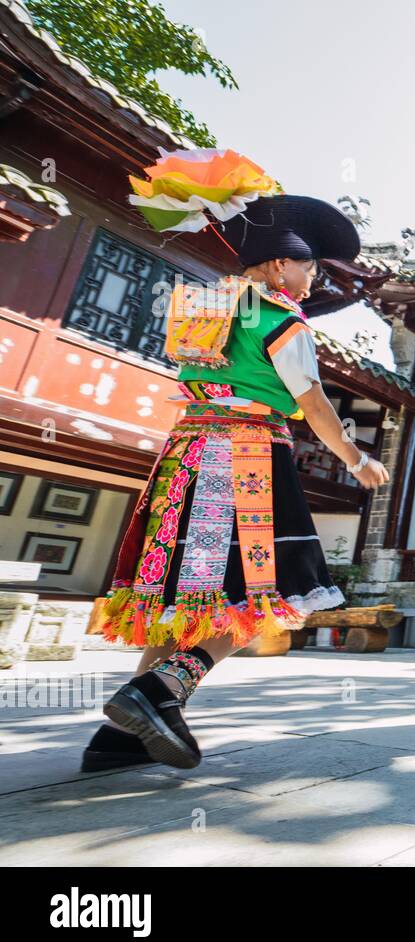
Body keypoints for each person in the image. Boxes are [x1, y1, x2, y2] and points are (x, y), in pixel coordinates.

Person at [82, 193, 389, 772]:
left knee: (184, 597)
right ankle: (159, 689)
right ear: (280, 264)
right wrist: (354, 457)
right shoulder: (281, 319)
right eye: (309, 267)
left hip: (186, 455)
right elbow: (313, 401)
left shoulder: (208, 306)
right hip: (246, 455)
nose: (311, 279)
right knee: (261, 592)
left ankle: (120, 737)